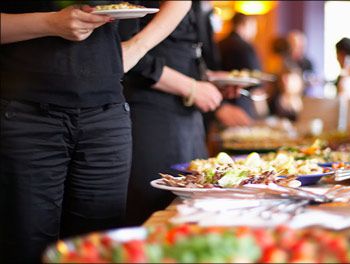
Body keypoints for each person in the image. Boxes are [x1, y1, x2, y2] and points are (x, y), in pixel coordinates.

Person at [0, 2, 151, 262]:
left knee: (99, 249)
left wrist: (138, 46)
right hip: (26, 116)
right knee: (26, 249)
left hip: (107, 118)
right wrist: (50, 23)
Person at [120, 1, 230, 226]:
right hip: (151, 116)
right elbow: (126, 54)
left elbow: (182, 52)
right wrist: (191, 87)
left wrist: (208, 79)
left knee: (192, 209)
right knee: (154, 210)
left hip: (189, 119)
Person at [218, 12, 260, 122]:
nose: (255, 31)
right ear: (246, 24)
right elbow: (256, 78)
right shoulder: (245, 47)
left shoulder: (219, 44)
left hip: (219, 102)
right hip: (241, 103)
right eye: (254, 27)